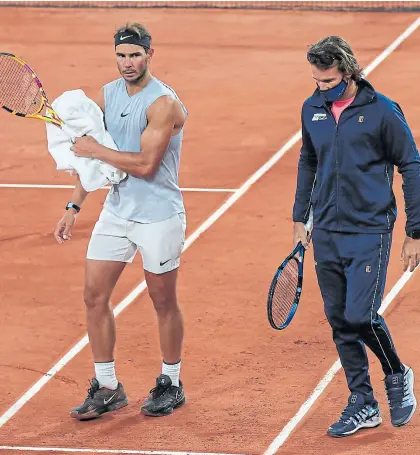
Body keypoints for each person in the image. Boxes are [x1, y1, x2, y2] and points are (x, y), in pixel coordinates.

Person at [54, 22, 188, 419]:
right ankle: (108, 386)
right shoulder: (108, 94)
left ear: (149, 54)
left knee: (162, 300)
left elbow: (146, 165)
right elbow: (93, 158)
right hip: (116, 211)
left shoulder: (163, 104)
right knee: (94, 296)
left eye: (135, 55)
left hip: (158, 216)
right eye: (121, 55)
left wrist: (94, 148)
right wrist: (74, 204)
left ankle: (172, 381)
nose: (127, 63)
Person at [293, 35, 419, 438]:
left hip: (370, 230)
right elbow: (308, 159)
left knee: (359, 315)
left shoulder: (382, 111)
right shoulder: (312, 107)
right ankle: (362, 402)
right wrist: (301, 217)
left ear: (347, 72)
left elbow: (412, 165)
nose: (322, 89)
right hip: (327, 228)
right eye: (316, 81)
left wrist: (415, 232)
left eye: (328, 82)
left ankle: (397, 375)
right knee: (338, 320)